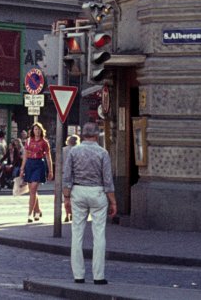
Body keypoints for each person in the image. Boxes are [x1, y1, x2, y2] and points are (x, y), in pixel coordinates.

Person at [63, 122, 116, 285]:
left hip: (78, 192)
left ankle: (78, 275)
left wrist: (66, 198)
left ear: (83, 134)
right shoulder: (103, 152)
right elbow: (107, 179)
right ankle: (98, 276)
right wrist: (112, 201)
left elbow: (67, 176)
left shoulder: (74, 151)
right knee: (99, 235)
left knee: (77, 234)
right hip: (98, 192)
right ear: (96, 135)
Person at [20, 123, 53, 223]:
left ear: (41, 131)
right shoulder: (28, 140)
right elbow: (25, 155)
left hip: (39, 164)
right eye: (35, 129)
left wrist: (50, 170)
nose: (37, 131)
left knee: (33, 188)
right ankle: (38, 211)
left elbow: (48, 157)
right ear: (32, 131)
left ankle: (30, 214)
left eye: (38, 130)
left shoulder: (44, 142)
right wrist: (22, 168)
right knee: (32, 191)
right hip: (29, 164)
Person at [62, 134, 80, 222]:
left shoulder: (63, 150)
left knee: (66, 197)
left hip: (65, 175)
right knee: (74, 197)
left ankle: (66, 214)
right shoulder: (79, 151)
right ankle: (72, 213)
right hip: (75, 176)